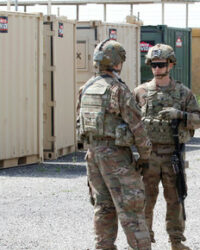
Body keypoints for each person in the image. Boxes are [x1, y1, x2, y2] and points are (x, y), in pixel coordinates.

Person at [77, 39, 152, 250]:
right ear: (118, 62)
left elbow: (79, 125)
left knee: (103, 207)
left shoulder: (86, 89)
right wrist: (145, 157)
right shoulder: (117, 90)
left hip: (93, 156)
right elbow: (138, 127)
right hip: (116, 157)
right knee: (132, 210)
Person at [133, 44, 200, 250]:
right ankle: (143, 242)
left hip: (173, 154)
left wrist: (180, 115)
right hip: (148, 156)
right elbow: (130, 121)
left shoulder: (183, 93)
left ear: (171, 65)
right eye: (153, 65)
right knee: (145, 200)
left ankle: (176, 241)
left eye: (161, 64)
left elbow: (199, 119)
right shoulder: (140, 92)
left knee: (175, 199)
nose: (157, 69)